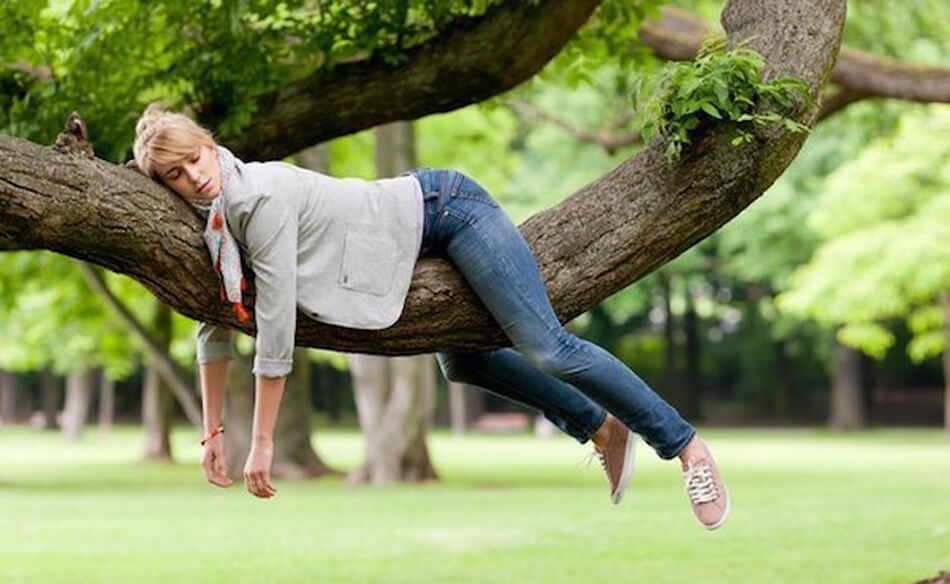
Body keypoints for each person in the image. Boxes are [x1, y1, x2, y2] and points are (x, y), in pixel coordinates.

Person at [132, 104, 729, 530]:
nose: (193, 177)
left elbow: (274, 327)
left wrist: (260, 443)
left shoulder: (253, 197)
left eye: (194, 159)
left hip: (447, 208)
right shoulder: (216, 225)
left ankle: (685, 447)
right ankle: (600, 425)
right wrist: (213, 432)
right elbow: (216, 321)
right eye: (176, 177)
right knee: (461, 362)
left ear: (209, 144)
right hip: (408, 242)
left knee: (547, 346)